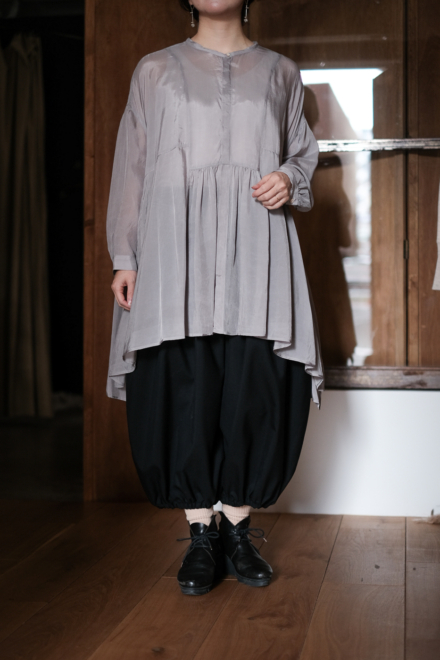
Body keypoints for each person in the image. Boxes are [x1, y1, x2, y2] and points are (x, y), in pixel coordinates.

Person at [106, 0, 323, 596]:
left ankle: (238, 530)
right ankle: (201, 533)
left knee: (254, 380)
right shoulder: (154, 69)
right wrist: (125, 255)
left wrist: (289, 177)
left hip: (257, 244)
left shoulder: (281, 72)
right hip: (175, 249)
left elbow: (304, 153)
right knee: (185, 379)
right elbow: (132, 164)